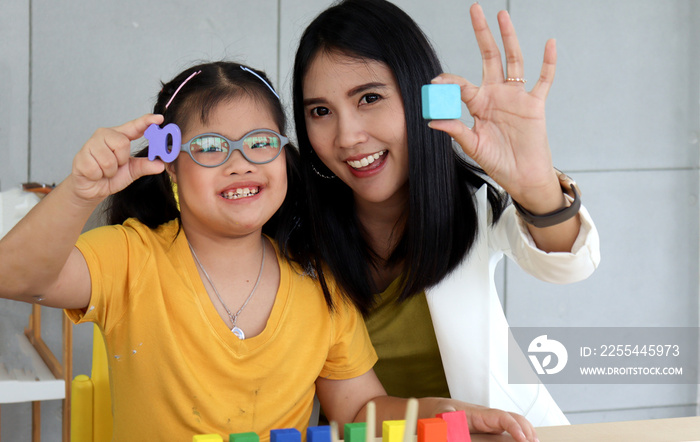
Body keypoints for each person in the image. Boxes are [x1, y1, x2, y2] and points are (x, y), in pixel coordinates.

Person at [0, 61, 539, 441]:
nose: (241, 164)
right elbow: (14, 276)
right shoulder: (130, 259)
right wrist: (79, 190)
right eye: (210, 148)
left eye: (260, 143)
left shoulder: (319, 282)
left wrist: (444, 414)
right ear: (168, 163)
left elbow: (359, 408)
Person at [291, 0, 601, 427]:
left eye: (368, 98)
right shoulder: (293, 229)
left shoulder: (469, 201)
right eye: (321, 111)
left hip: (498, 432)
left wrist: (536, 187)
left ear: (420, 95)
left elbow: (569, 264)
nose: (347, 136)